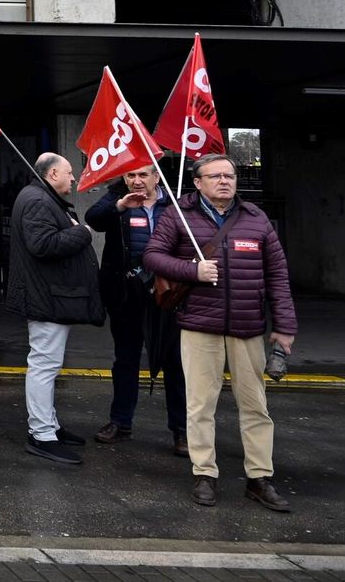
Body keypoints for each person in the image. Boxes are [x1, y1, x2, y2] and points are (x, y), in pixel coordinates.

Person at [143, 153, 297, 511]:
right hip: (199, 326)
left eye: (229, 175)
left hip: (248, 328)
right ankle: (204, 474)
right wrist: (192, 270)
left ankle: (259, 479)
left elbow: (278, 277)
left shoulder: (256, 219)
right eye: (215, 176)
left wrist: (285, 328)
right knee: (200, 405)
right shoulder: (179, 215)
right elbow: (152, 256)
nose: (225, 181)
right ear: (197, 183)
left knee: (255, 406)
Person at [6, 153, 103, 465]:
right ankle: (42, 434)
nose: (73, 178)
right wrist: (84, 232)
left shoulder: (40, 197)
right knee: (44, 365)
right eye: (69, 172)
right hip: (47, 298)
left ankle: (50, 426)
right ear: (52, 174)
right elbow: (43, 245)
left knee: (47, 364)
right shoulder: (37, 200)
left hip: (51, 296)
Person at [86, 164, 185, 453]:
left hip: (168, 294)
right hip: (127, 293)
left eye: (143, 175)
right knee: (125, 359)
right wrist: (119, 205)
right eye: (131, 175)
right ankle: (121, 423)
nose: (137, 181)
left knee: (175, 364)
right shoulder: (115, 198)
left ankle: (181, 430)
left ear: (156, 176)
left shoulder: (176, 204)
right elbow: (93, 219)